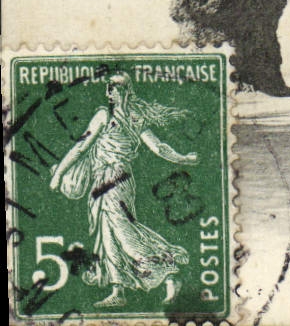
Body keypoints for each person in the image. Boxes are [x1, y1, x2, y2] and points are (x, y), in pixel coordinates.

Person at [50, 73, 197, 307]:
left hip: (116, 180)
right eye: (108, 88)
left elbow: (157, 147)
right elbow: (81, 146)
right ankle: (118, 290)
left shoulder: (131, 117)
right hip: (102, 180)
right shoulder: (105, 115)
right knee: (107, 232)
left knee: (122, 230)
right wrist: (59, 173)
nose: (109, 92)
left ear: (126, 90)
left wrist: (183, 159)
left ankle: (168, 272)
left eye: (114, 88)